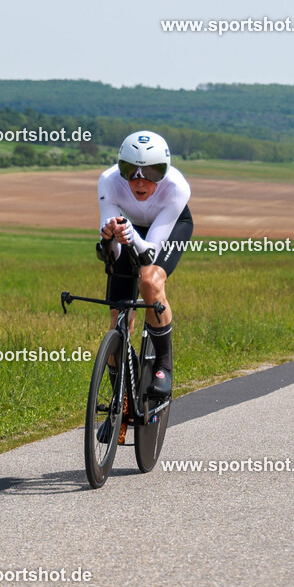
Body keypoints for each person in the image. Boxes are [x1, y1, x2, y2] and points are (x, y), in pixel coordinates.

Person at [97, 131, 193, 442]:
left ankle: (163, 364)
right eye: (131, 171)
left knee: (150, 280)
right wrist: (110, 239)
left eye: (151, 173)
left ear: (164, 171)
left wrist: (127, 236)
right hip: (130, 231)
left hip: (167, 227)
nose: (140, 181)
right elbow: (111, 254)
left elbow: (149, 253)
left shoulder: (177, 189)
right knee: (117, 319)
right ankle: (121, 403)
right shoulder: (108, 182)